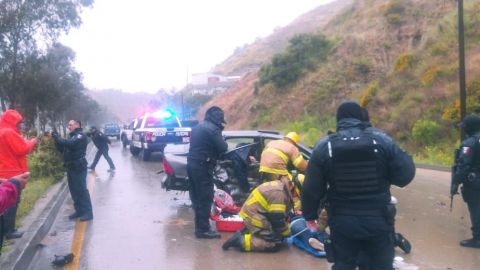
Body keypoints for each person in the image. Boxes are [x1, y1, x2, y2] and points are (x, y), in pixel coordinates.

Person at [302, 101, 415, 270]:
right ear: (361, 117)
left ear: (338, 120)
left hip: (342, 223)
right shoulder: (381, 140)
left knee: (344, 265)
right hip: (378, 220)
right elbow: (405, 175)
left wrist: (310, 215)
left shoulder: (325, 146)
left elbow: (311, 188)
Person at [222, 174, 304, 252]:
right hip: (255, 217)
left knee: (278, 235)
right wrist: (286, 232)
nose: (296, 196)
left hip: (255, 214)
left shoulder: (281, 186)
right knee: (274, 243)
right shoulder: (279, 194)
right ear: (294, 187)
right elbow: (277, 219)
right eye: (297, 194)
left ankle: (248, 231)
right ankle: (241, 241)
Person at [187, 106, 228, 239]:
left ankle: (199, 227)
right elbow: (223, 147)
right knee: (205, 197)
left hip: (192, 164)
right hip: (202, 166)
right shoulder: (213, 129)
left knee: (196, 197)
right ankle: (203, 230)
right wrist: (220, 134)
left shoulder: (198, 127)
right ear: (218, 119)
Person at [0, 109, 38, 239]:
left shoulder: (2, 131)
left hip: (3, 171)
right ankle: (9, 231)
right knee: (12, 201)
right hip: (12, 172)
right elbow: (22, 149)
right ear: (12, 121)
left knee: (5, 201)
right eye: (18, 122)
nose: (20, 125)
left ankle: (6, 229)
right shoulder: (9, 132)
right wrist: (32, 142)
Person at [52, 120, 93, 221]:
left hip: (79, 166)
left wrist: (58, 137)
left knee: (81, 190)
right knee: (74, 191)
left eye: (70, 125)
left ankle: (88, 212)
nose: (68, 126)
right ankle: (79, 210)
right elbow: (63, 148)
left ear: (77, 125)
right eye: (68, 125)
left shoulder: (80, 136)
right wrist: (56, 139)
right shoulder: (72, 136)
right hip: (71, 167)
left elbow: (69, 144)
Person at [451, 114, 480, 248]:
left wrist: (456, 181)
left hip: (475, 183)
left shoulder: (470, 143)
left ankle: (478, 238)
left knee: (476, 208)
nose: (463, 129)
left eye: (465, 127)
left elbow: (463, 165)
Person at [0, 172, 31, 254]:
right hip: (10, 175)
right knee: (10, 204)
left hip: (13, 177)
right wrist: (13, 185)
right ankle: (9, 231)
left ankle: (9, 230)